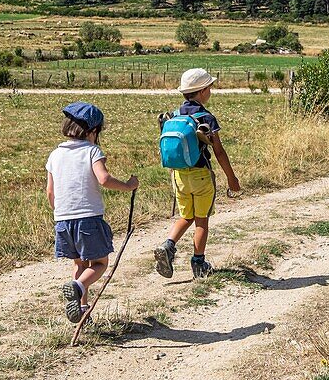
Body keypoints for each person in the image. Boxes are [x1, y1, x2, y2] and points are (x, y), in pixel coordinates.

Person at [46, 102, 139, 323]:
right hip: (88, 218)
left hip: (62, 219)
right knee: (99, 264)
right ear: (93, 131)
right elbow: (104, 179)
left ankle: (82, 309)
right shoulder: (92, 151)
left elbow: (50, 191)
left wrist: (60, 211)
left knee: (79, 264)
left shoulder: (55, 155)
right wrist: (128, 185)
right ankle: (77, 288)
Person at [154, 69, 241, 279]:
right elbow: (218, 151)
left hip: (178, 175)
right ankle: (199, 264)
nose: (210, 91)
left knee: (186, 215)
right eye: (209, 87)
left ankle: (168, 245)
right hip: (201, 175)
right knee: (201, 220)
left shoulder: (174, 115)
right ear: (202, 91)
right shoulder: (206, 118)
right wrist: (231, 178)